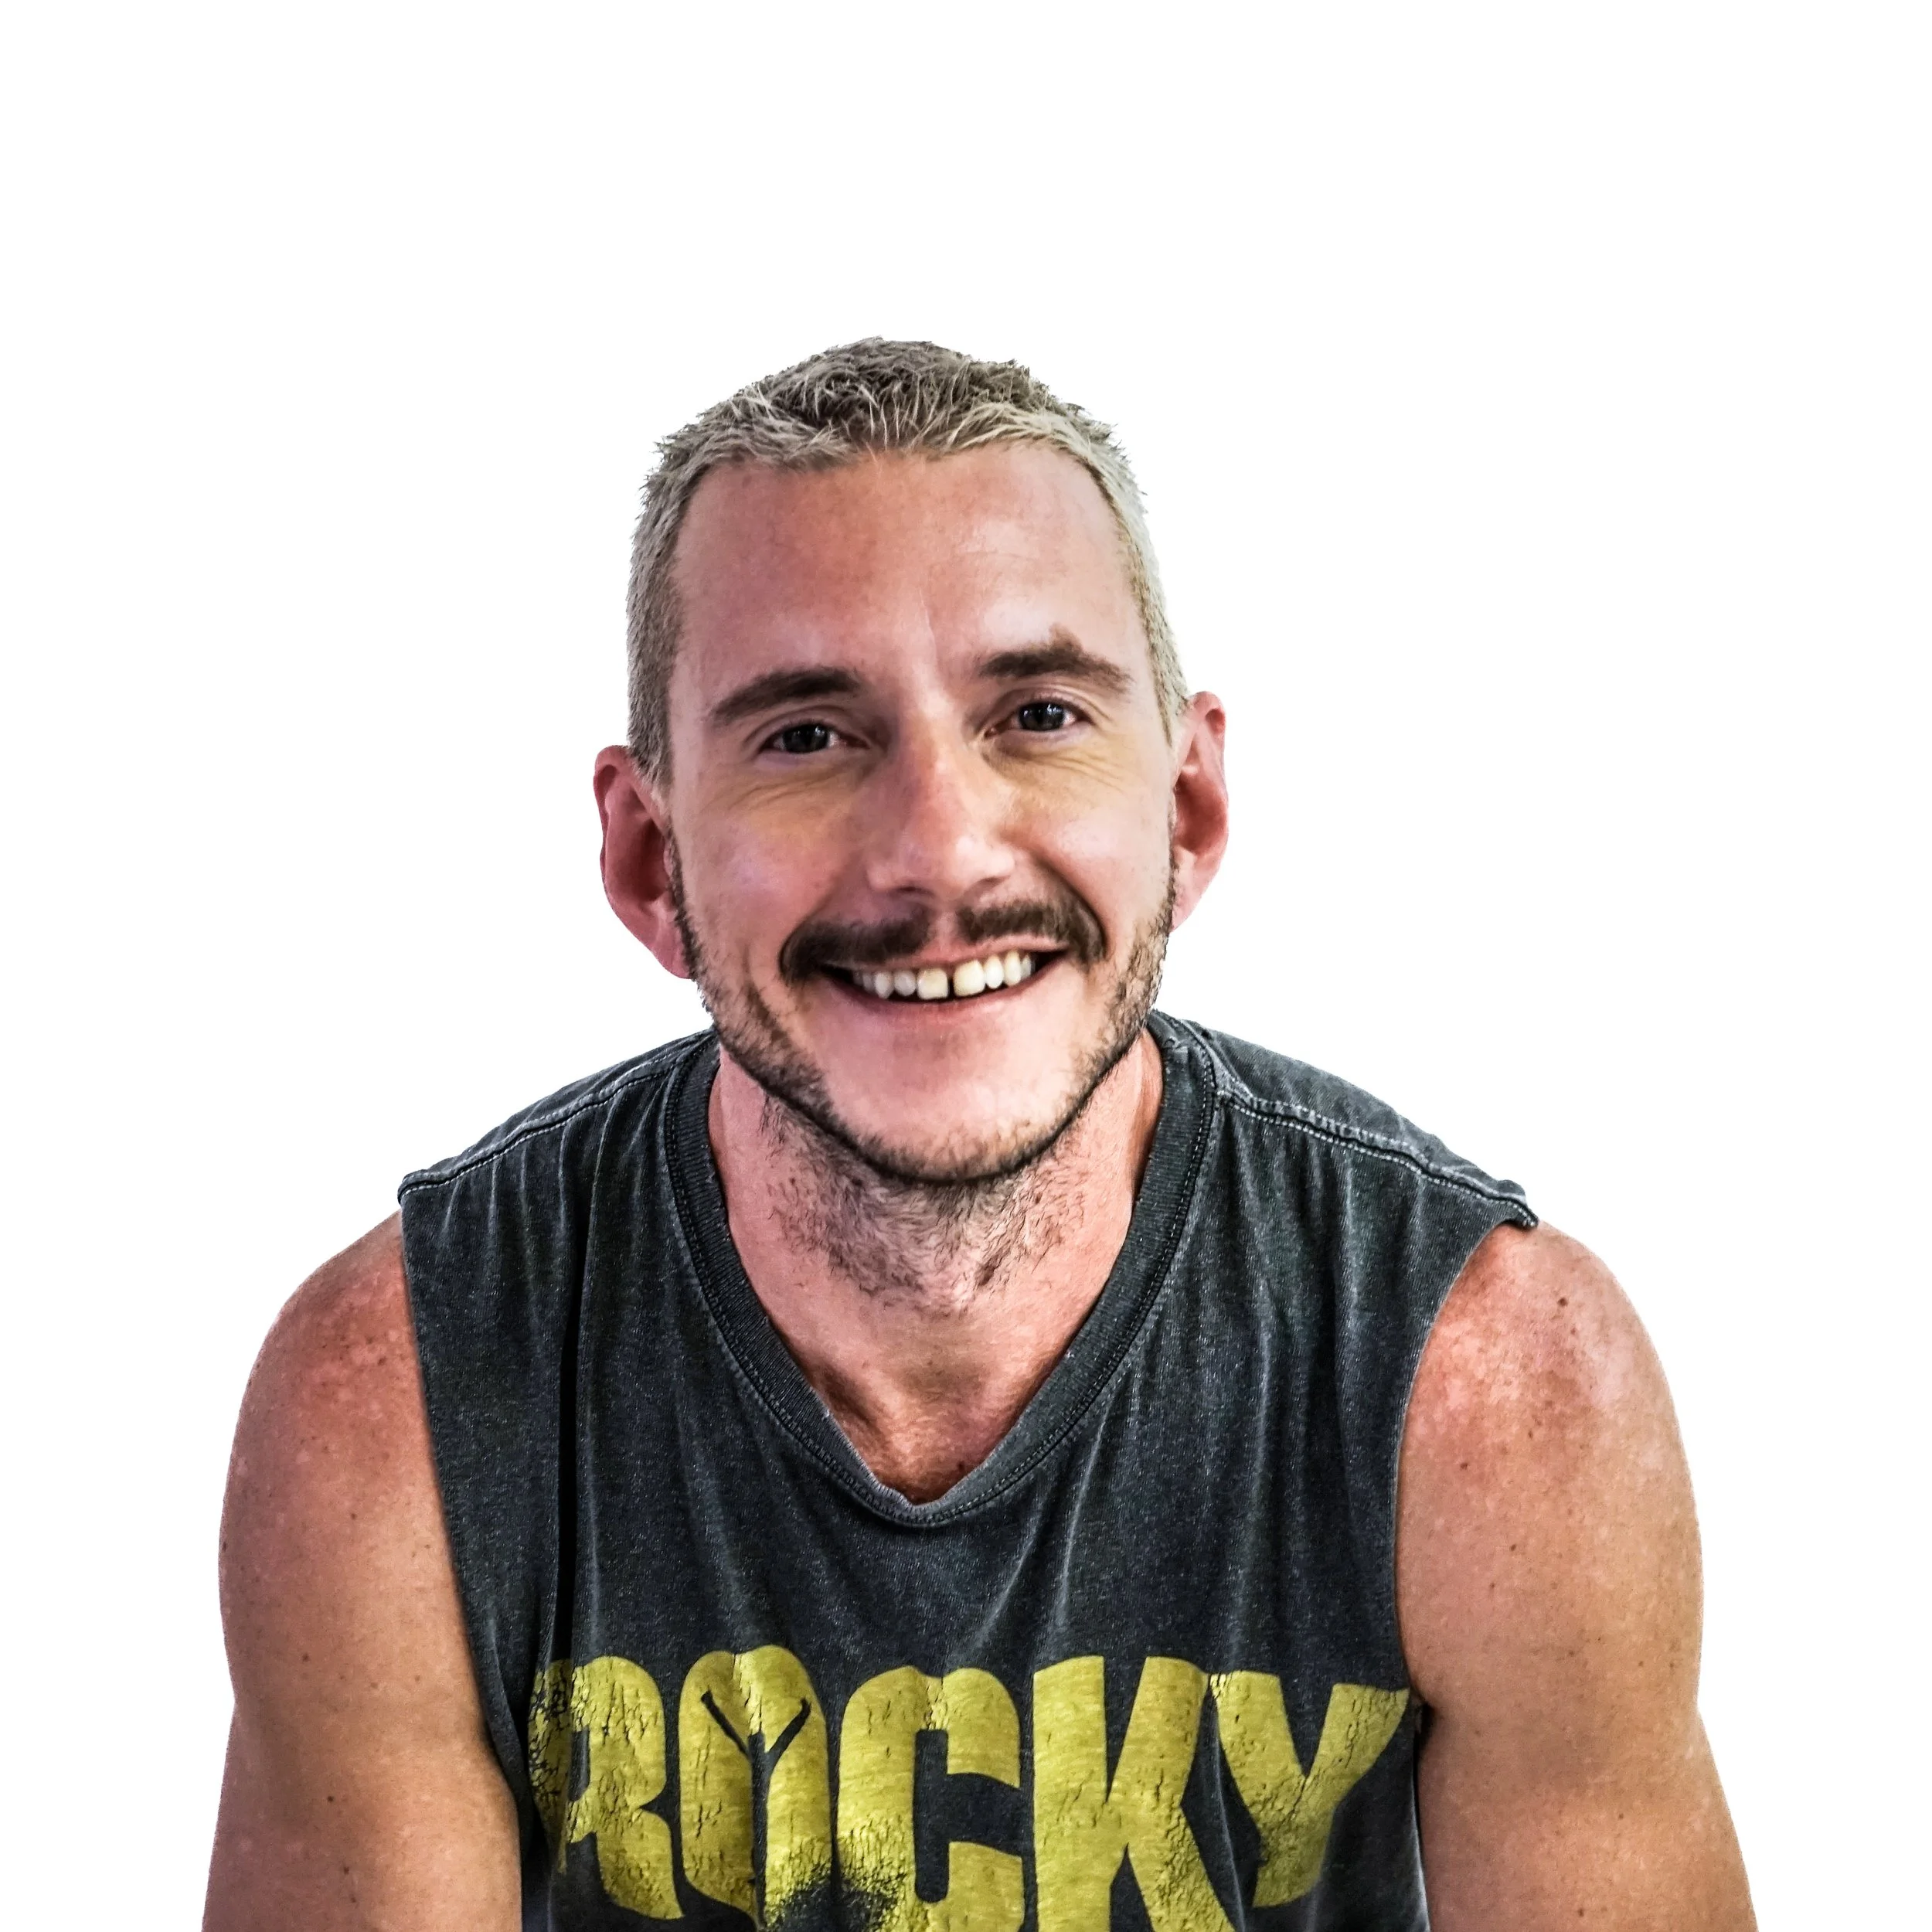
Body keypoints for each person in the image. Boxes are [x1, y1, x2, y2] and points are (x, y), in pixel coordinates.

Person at [206, 340, 1754, 1931]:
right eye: (805, 734)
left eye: (1036, 711)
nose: (938, 848)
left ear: (1186, 809)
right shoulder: (398, 1402)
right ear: (648, 856)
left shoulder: (1486, 1380)